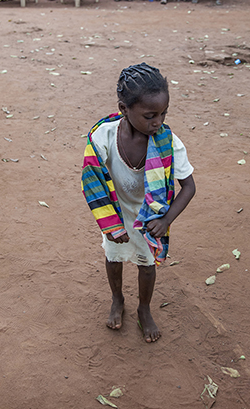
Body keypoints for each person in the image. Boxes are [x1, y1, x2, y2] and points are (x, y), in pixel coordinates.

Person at [82, 63, 196, 343]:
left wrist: (165, 220)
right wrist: (111, 223)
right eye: (149, 115)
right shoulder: (103, 136)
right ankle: (117, 299)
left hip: (149, 218)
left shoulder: (168, 143)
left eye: (163, 113)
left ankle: (144, 309)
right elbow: (91, 181)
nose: (157, 121)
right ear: (124, 109)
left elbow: (189, 187)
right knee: (113, 257)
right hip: (116, 213)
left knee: (147, 265)